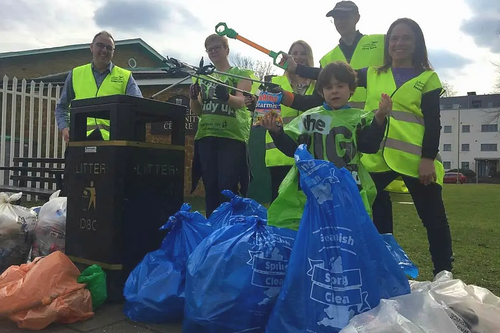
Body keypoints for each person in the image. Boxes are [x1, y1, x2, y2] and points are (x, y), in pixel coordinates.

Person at [357, 18, 454, 276]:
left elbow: (434, 123)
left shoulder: (428, 79)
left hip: (415, 161)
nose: (398, 43)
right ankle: (381, 272)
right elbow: (334, 76)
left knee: (434, 219)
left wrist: (427, 159)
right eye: (394, 38)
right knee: (372, 215)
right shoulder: (372, 73)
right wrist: (298, 66)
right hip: (376, 159)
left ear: (416, 44)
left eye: (405, 38)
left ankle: (444, 274)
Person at [282, 1, 408, 194]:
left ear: (357, 17)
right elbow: (316, 101)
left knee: (378, 197)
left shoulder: (381, 42)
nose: (340, 20)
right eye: (336, 17)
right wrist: (284, 95)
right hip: (344, 141)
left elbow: (401, 67)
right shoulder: (328, 57)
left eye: (345, 15)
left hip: (375, 128)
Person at [263, 61, 390, 230]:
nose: (334, 91)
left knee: (347, 233)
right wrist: (276, 132)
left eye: (340, 86)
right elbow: (292, 149)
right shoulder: (307, 118)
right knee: (314, 233)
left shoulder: (361, 118)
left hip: (347, 187)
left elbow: (369, 146)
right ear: (322, 92)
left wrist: (380, 117)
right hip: (311, 188)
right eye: (329, 87)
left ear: (351, 89)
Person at [189, 34, 254, 218]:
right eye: (210, 49)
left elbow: (242, 101)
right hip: (206, 137)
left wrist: (226, 96)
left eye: (218, 47)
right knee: (210, 187)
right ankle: (212, 230)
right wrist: (193, 97)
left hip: (232, 137)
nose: (214, 51)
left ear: (227, 49)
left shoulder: (241, 75)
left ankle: (229, 229)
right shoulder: (204, 77)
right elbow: (197, 111)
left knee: (227, 187)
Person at [55, 30, 143, 143]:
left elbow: (138, 107)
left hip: (113, 142)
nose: (104, 51)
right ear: (91, 47)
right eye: (100, 45)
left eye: (109, 48)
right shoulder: (76, 74)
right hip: (79, 141)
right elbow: (61, 107)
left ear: (113, 52)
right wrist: (64, 127)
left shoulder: (125, 77)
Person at [263, 40, 316, 203]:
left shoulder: (319, 86)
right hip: (280, 156)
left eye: (303, 53)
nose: (298, 57)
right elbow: (263, 112)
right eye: (294, 53)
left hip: (311, 156)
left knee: (309, 206)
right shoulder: (275, 83)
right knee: (280, 206)